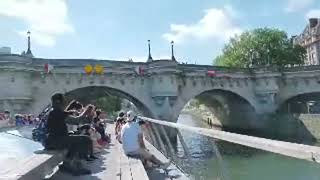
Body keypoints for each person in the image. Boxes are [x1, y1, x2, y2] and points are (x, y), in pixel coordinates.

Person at [45, 93, 95, 176]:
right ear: (59, 102)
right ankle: (77, 166)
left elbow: (64, 116)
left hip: (53, 140)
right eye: (63, 101)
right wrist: (86, 111)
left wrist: (70, 110)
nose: (65, 103)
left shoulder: (54, 112)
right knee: (86, 139)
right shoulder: (57, 112)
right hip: (56, 141)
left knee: (75, 141)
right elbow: (76, 120)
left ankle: (68, 164)